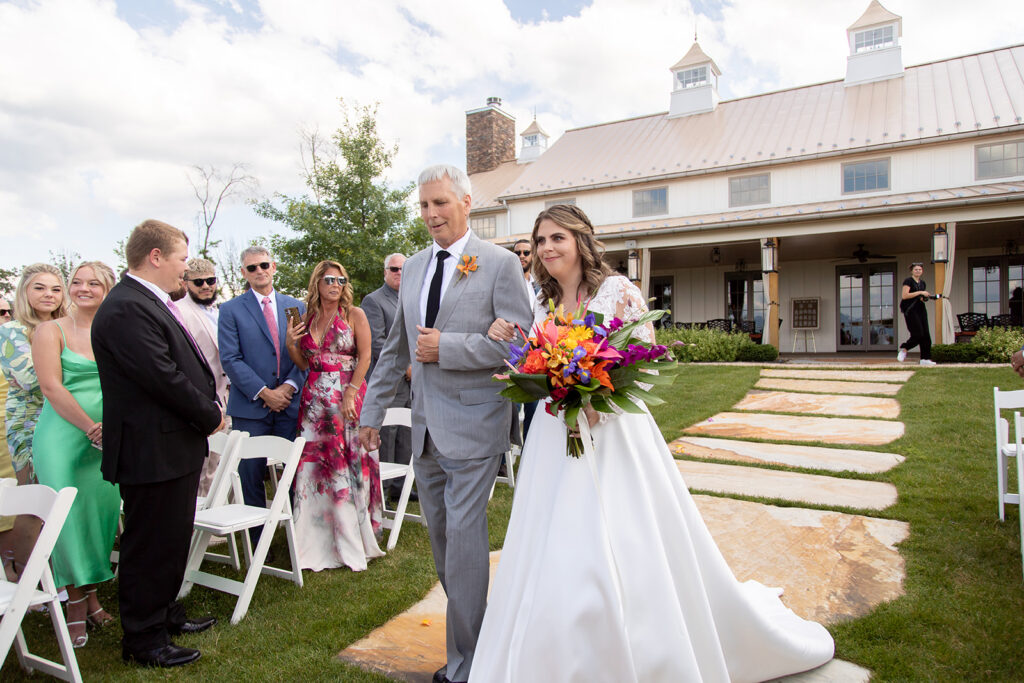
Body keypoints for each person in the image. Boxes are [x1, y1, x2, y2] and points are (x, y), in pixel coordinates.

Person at [470, 205, 834, 682]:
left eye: (557, 237)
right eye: (540, 241)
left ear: (581, 239)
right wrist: (516, 345)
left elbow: (644, 355)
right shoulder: (542, 301)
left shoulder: (618, 290)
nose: (546, 249)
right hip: (556, 431)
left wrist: (601, 393)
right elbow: (533, 358)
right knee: (554, 537)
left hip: (614, 429)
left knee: (626, 533)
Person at [359, 164, 532, 683]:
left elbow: (520, 345)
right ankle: (475, 640)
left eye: (440, 203)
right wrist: (371, 413)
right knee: (442, 543)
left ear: (466, 203)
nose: (431, 214)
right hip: (425, 428)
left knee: (463, 539)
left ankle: (468, 664)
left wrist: (448, 348)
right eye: (424, 205)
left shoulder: (499, 263)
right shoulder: (411, 267)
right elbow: (396, 350)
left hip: (476, 426)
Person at [92, 220, 222, 668]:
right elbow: (161, 377)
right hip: (152, 449)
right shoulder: (127, 308)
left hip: (172, 446)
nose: (185, 270)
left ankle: (165, 613)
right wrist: (211, 414)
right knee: (150, 544)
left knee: (171, 538)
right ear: (155, 257)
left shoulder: (149, 301)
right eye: (182, 260)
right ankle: (143, 639)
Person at [32, 261, 120, 648]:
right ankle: (75, 604)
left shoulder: (113, 332)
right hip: (64, 439)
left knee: (98, 516)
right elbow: (51, 387)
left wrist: (114, 429)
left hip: (108, 438)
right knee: (66, 521)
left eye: (93, 284)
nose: (83, 289)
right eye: (77, 282)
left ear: (108, 289)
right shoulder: (50, 330)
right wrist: (90, 427)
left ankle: (94, 594)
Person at [285, 261, 384, 571]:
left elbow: (365, 356)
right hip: (315, 402)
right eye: (329, 279)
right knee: (314, 467)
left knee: (348, 465)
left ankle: (352, 536)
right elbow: (302, 362)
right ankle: (315, 536)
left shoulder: (354, 315)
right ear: (317, 282)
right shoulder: (306, 317)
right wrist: (291, 342)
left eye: (341, 279)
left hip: (347, 397)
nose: (336, 284)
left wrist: (352, 393)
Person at [219, 246, 306, 532]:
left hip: (289, 403)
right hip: (250, 406)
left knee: (294, 472)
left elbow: (304, 352)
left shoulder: (295, 307)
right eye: (252, 268)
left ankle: (298, 535)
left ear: (274, 266)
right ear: (243, 273)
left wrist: (289, 387)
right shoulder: (230, 309)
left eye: (264, 265)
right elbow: (230, 358)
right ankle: (257, 540)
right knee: (251, 473)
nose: (259, 271)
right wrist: (264, 392)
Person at [0, 264, 68, 483]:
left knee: (68, 500)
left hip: (71, 420)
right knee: (35, 503)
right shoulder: (11, 330)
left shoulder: (69, 328)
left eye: (56, 289)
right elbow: (32, 381)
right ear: (24, 291)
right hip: (32, 423)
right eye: (40, 288)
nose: (49, 294)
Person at [360, 252, 412, 502]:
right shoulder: (374, 301)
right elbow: (377, 343)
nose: (399, 273)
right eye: (394, 269)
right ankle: (383, 485)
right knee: (388, 431)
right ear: (385, 272)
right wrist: (405, 367)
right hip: (391, 380)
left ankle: (402, 485)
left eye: (403, 269)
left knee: (408, 432)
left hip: (414, 380)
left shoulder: (412, 298)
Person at [176, 258, 230, 496]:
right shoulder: (178, 311)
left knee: (224, 463)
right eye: (199, 282)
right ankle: (204, 526)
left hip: (229, 395)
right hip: (203, 397)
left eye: (211, 280)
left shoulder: (220, 311)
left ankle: (223, 513)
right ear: (186, 282)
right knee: (205, 465)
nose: (206, 286)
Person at [511, 239, 540, 441]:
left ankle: (529, 449)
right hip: (512, 353)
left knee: (535, 407)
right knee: (512, 408)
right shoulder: (505, 285)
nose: (521, 256)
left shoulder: (541, 287)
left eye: (526, 252)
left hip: (538, 356)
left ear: (532, 256)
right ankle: (505, 456)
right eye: (517, 253)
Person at [897, 262, 936, 366]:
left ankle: (925, 358)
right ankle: (904, 349)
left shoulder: (922, 283)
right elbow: (905, 296)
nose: (918, 271)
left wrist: (927, 297)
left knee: (926, 335)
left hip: (920, 308)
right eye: (916, 269)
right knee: (918, 334)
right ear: (912, 271)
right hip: (910, 309)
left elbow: (921, 298)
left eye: (920, 269)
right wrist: (920, 292)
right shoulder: (908, 281)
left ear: (922, 271)